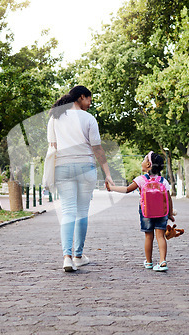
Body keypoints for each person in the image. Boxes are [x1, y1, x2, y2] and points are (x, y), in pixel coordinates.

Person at [47, 85, 115, 272]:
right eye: (89, 100)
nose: (90, 104)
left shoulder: (55, 117)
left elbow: (52, 146)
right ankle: (78, 256)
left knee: (67, 211)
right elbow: (97, 149)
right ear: (81, 97)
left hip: (62, 167)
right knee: (82, 212)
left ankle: (67, 257)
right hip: (86, 167)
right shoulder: (89, 119)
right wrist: (107, 173)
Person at [106, 151, 175, 271]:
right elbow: (168, 199)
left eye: (144, 160)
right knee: (161, 237)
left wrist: (111, 188)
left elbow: (127, 189)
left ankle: (148, 262)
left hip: (146, 212)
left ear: (148, 164)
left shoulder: (141, 180)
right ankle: (162, 261)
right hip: (162, 212)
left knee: (149, 237)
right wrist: (170, 214)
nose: (142, 162)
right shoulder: (163, 181)